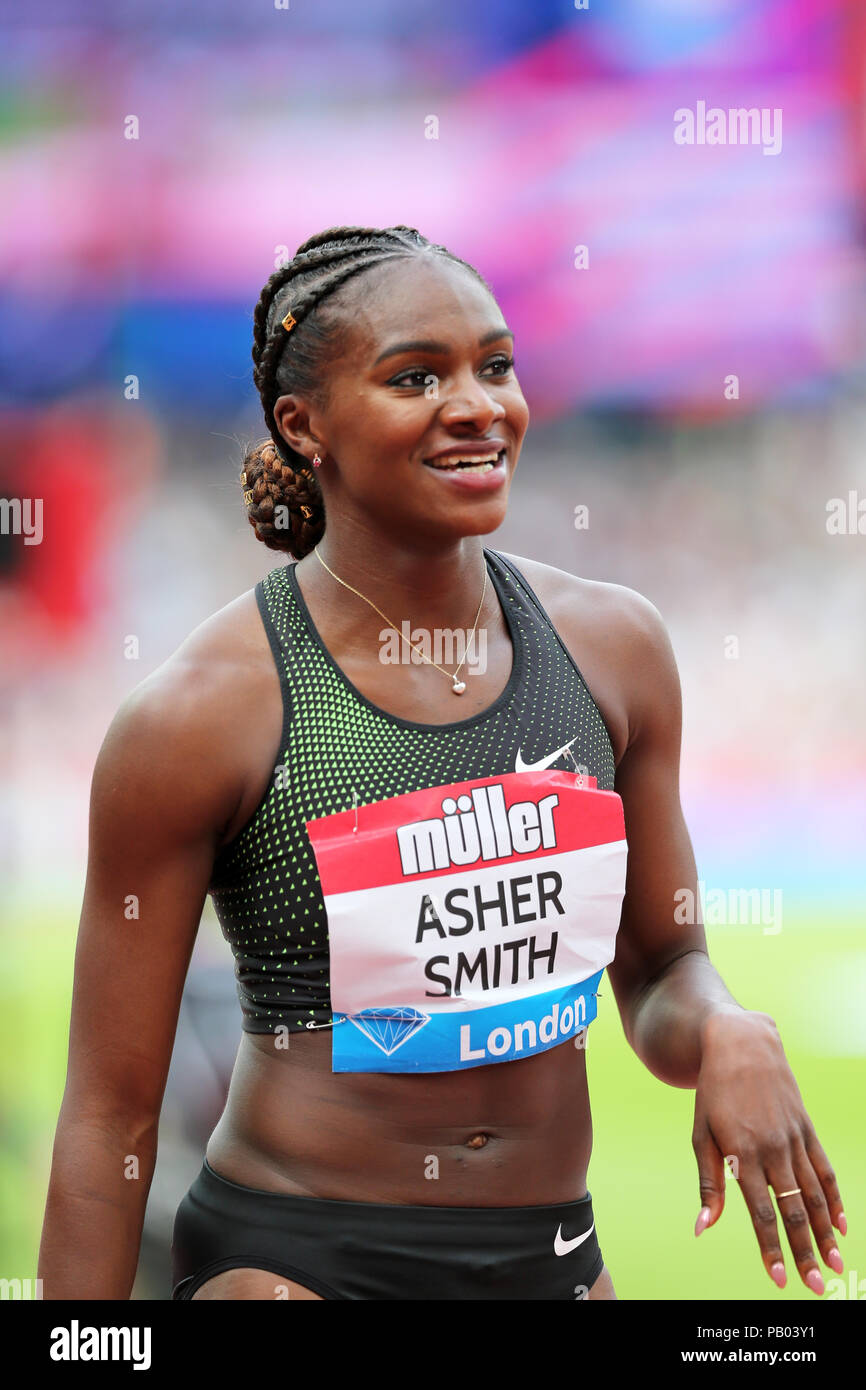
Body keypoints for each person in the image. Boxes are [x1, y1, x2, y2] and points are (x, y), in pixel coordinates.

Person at [38, 225, 846, 1301]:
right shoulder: (199, 716)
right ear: (303, 424)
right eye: (415, 376)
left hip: (551, 1256)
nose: (476, 404)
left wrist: (726, 1027)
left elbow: (657, 974)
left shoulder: (612, 650)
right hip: (295, 1262)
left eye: (494, 365)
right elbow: (110, 1117)